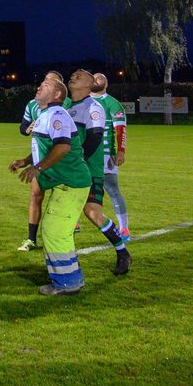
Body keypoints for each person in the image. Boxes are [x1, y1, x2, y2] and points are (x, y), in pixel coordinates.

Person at [9, 77, 91, 295]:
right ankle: (71, 277)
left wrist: (38, 168)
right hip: (65, 183)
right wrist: (25, 162)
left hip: (72, 183)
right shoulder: (45, 115)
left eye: (45, 86)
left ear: (56, 95)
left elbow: (63, 147)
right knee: (55, 231)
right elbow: (45, 145)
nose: (39, 87)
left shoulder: (57, 115)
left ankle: (68, 283)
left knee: (55, 232)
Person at [65, 69, 131, 276]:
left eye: (79, 76)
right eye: (73, 74)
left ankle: (122, 251)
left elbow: (93, 139)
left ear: (89, 84)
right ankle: (65, 261)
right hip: (69, 170)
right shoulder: (67, 106)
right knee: (64, 215)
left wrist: (79, 161)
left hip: (87, 170)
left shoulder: (94, 107)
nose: (73, 77)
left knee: (93, 213)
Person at [17, 70, 64, 252]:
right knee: (36, 195)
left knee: (61, 197)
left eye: (49, 83)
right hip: (39, 158)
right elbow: (23, 128)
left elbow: (64, 143)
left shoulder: (64, 106)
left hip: (59, 160)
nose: (43, 85)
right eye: (44, 81)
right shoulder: (33, 104)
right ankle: (31, 239)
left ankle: (63, 234)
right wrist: (27, 129)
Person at [92, 72, 130, 237]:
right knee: (77, 189)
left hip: (107, 156)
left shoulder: (113, 104)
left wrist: (121, 151)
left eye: (100, 78)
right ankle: (74, 223)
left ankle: (124, 228)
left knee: (113, 189)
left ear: (106, 84)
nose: (96, 79)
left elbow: (120, 129)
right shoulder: (82, 102)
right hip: (85, 156)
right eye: (93, 78)